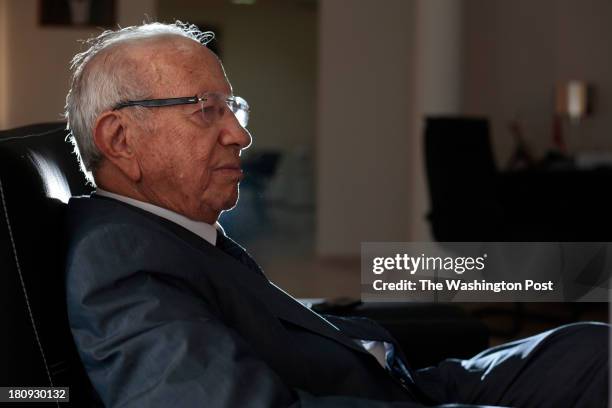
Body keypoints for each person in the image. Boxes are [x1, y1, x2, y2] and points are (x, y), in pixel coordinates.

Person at [63, 22, 608, 408]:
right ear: (120, 139)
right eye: (207, 111)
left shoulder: (170, 232)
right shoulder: (117, 257)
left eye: (234, 109)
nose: (241, 135)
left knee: (589, 345)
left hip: (401, 381)